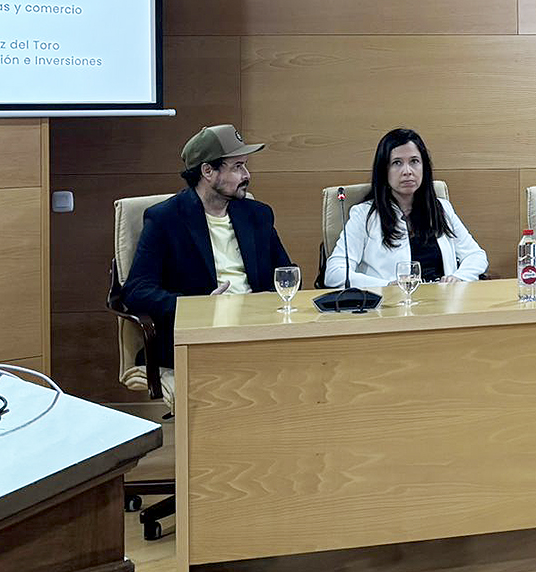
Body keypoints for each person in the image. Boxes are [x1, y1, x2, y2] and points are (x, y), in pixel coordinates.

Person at [123, 124, 293, 408]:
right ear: (208, 171)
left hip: (257, 328)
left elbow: (285, 274)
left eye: (245, 166)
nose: (247, 175)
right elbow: (136, 290)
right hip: (202, 336)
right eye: (237, 166)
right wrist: (197, 306)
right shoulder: (166, 219)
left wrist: (270, 300)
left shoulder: (258, 215)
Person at [325, 128, 487, 288]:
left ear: (424, 167)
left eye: (414, 161)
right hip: (391, 302)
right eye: (397, 163)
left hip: (443, 301)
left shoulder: (441, 209)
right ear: (384, 170)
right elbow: (334, 273)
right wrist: (387, 286)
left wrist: (459, 277)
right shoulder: (364, 215)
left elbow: (476, 255)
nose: (407, 171)